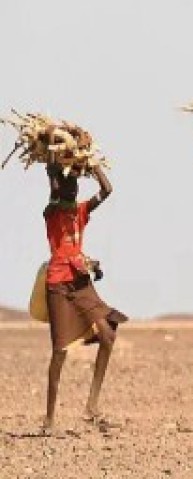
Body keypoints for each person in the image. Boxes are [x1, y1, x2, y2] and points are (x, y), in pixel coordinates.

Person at [41, 163, 127, 433]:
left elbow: (107, 190)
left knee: (107, 335)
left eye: (76, 185)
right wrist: (54, 169)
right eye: (70, 185)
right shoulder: (52, 212)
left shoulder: (81, 212)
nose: (74, 188)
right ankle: (49, 420)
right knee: (60, 351)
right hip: (58, 284)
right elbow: (55, 188)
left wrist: (93, 164)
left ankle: (92, 406)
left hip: (80, 281)